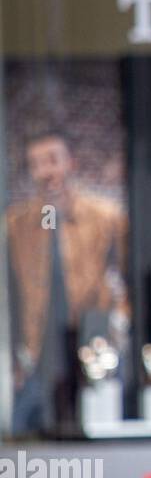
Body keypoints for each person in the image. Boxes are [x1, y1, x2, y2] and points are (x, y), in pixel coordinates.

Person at [7, 130, 129, 436]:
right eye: (36, 164)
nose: (46, 171)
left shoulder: (106, 217)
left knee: (97, 424)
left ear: (70, 162)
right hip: (38, 345)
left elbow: (125, 279)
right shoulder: (16, 224)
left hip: (92, 339)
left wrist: (118, 327)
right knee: (28, 427)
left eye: (53, 160)